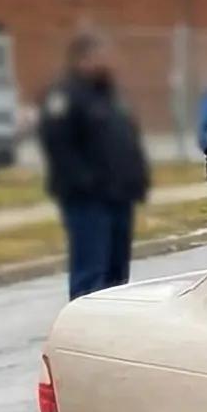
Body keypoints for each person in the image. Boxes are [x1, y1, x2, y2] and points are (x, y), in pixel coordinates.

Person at [38, 32, 150, 298]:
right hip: (89, 201)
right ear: (82, 59)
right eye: (101, 56)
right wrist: (86, 183)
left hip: (120, 196)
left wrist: (137, 179)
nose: (109, 62)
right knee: (91, 271)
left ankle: (111, 318)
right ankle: (84, 317)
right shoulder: (66, 96)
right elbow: (58, 145)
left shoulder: (109, 95)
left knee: (117, 273)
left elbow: (127, 139)